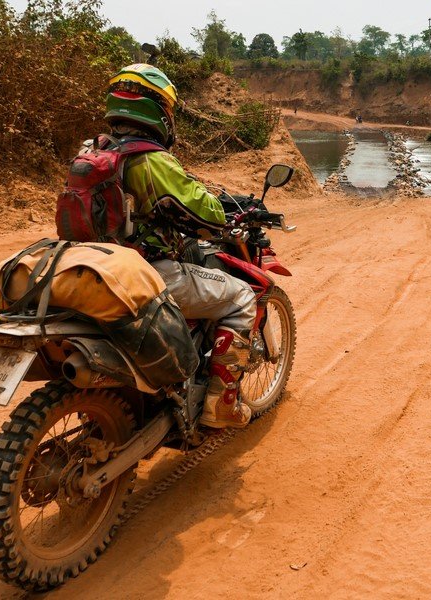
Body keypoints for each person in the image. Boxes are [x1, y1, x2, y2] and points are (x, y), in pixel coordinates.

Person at [103, 63, 255, 428]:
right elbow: (206, 213)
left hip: (98, 269)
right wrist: (218, 213)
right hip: (147, 275)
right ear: (158, 110)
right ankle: (221, 405)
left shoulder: (94, 151)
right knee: (241, 298)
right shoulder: (151, 160)